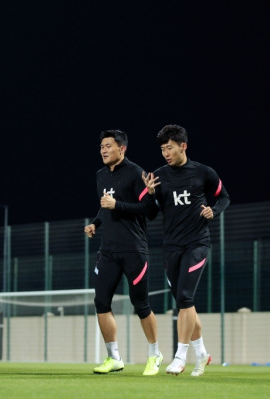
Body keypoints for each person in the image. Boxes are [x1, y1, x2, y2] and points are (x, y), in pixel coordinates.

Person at [142, 124, 230, 377]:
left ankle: (180, 356)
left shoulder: (204, 172)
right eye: (162, 149)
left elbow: (224, 197)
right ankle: (202, 353)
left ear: (183, 146)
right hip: (171, 247)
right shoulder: (158, 176)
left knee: (185, 298)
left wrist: (214, 210)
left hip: (197, 243)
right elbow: (151, 214)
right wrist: (149, 195)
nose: (165, 153)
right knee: (183, 302)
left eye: (169, 148)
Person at [84, 130, 163, 376]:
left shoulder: (136, 173)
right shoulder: (100, 175)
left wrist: (118, 205)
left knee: (140, 303)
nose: (103, 150)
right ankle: (114, 357)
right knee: (100, 302)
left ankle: (154, 354)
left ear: (122, 148)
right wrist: (95, 223)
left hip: (134, 250)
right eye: (101, 147)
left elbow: (149, 211)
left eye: (108, 146)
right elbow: (105, 208)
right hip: (108, 250)